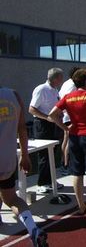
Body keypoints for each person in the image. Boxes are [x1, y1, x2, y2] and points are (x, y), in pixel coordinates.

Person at [49, 69, 86, 215]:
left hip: (74, 137)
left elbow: (52, 114)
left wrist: (65, 128)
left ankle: (80, 205)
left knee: (77, 172)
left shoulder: (68, 97)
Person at [0, 86, 48, 246]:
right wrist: (25, 155)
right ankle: (32, 228)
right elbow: (22, 128)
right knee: (12, 198)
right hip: (7, 158)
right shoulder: (13, 95)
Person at [29, 68, 65, 194]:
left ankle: (50, 180)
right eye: (60, 78)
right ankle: (42, 183)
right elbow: (32, 109)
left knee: (52, 153)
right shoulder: (41, 89)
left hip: (53, 124)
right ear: (55, 78)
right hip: (43, 125)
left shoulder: (55, 90)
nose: (62, 81)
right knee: (44, 154)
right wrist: (47, 117)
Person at [59, 66, 80, 175]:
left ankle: (65, 163)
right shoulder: (72, 85)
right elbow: (70, 100)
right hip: (69, 115)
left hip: (66, 115)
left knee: (66, 139)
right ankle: (66, 165)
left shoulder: (66, 83)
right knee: (68, 140)